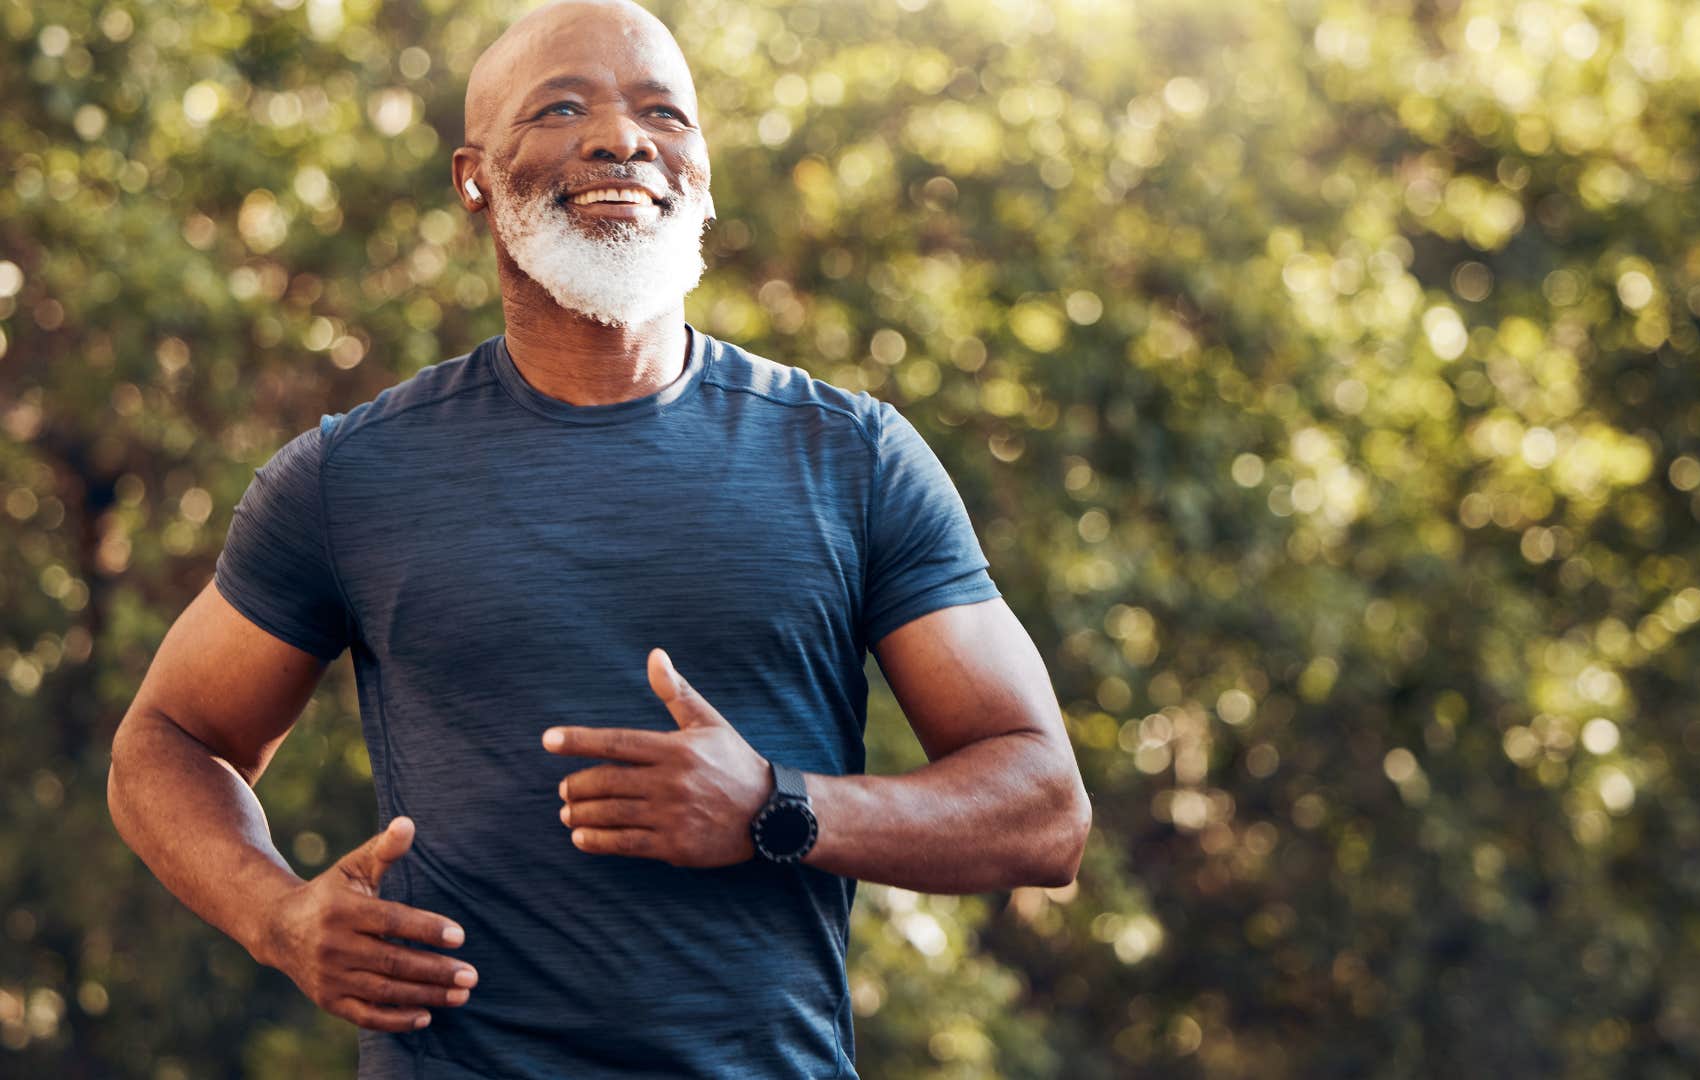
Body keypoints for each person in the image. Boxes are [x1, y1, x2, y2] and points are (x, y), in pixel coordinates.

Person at [104, 1, 1093, 1076]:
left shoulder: (852, 458)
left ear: (702, 169)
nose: (621, 139)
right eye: (561, 107)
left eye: (663, 113)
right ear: (473, 175)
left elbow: (1044, 811)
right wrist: (276, 918)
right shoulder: (354, 475)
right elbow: (166, 740)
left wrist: (776, 808)